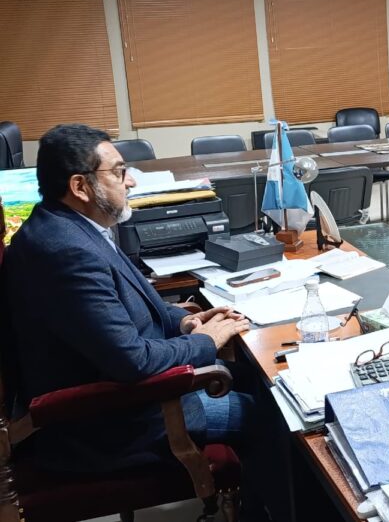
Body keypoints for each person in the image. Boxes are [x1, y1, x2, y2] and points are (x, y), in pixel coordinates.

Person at [0, 124, 264, 519]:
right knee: (269, 414)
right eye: (119, 171)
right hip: (102, 425)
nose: (132, 181)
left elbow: (133, 308)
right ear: (80, 186)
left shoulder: (72, 227)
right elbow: (132, 361)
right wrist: (206, 341)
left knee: (257, 378)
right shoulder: (65, 253)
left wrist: (184, 323)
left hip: (112, 392)